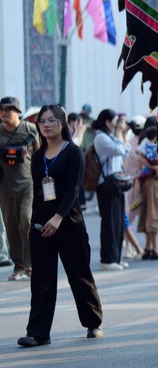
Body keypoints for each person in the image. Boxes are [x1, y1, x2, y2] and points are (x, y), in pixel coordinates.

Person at [17, 105, 103, 347]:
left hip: (69, 222)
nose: (46, 124)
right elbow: (37, 194)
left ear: (62, 123)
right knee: (41, 280)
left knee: (79, 274)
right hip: (42, 226)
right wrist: (35, 224)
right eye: (42, 121)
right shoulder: (36, 157)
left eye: (51, 120)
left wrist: (58, 218)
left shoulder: (73, 152)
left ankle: (93, 322)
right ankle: (38, 332)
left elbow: (73, 191)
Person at [0, 96, 40, 281]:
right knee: (11, 229)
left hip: (27, 185)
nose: (4, 112)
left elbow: (40, 155)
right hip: (5, 188)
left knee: (26, 220)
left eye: (9, 109)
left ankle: (30, 264)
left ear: (17, 112)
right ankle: (19, 267)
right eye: (2, 109)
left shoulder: (30, 130)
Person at [92, 109, 131, 271]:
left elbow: (126, 152)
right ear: (107, 122)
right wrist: (119, 134)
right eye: (116, 121)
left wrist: (119, 135)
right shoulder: (101, 137)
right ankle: (107, 259)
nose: (118, 124)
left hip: (116, 183)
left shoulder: (111, 136)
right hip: (106, 184)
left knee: (118, 222)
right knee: (109, 222)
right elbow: (120, 150)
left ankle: (116, 258)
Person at [135, 125, 158, 260]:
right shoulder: (156, 145)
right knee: (154, 214)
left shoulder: (143, 144)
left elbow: (138, 159)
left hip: (146, 181)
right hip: (155, 183)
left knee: (147, 213)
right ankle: (154, 248)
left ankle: (149, 247)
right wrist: (155, 167)